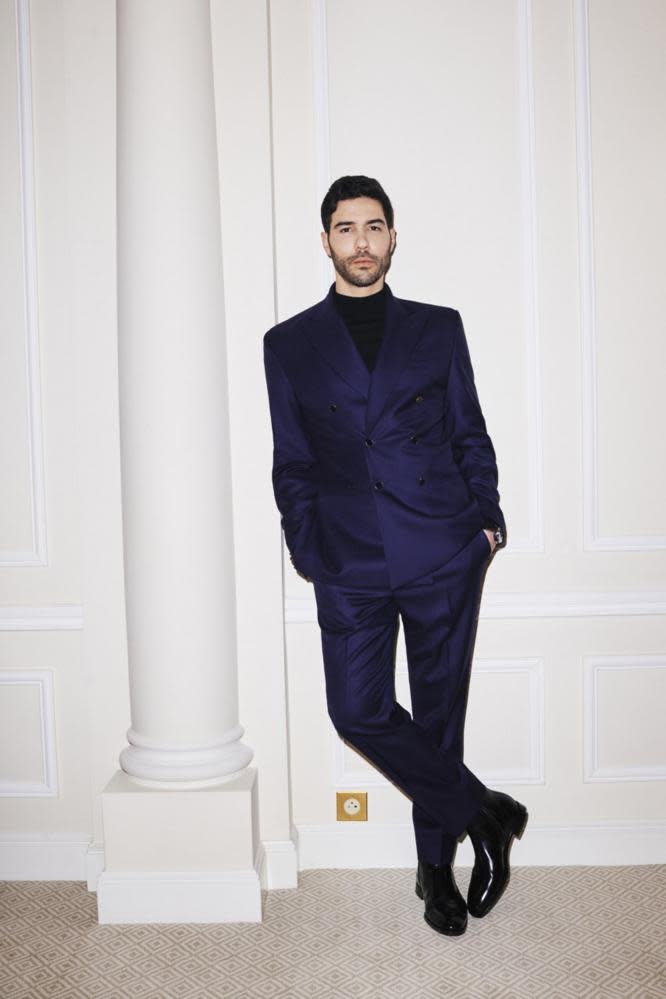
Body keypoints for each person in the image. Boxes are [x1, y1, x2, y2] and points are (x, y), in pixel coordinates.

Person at [262, 175, 527, 936]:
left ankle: (434, 871)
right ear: (326, 242)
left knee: (440, 715)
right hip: (348, 559)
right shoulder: (288, 344)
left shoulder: (437, 327)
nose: (362, 243)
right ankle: (486, 810)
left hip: (442, 547)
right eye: (346, 229)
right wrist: (308, 547)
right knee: (358, 709)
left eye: (374, 227)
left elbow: (469, 432)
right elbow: (292, 460)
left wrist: (487, 526)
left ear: (393, 236)